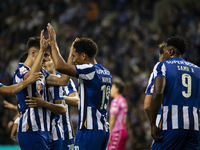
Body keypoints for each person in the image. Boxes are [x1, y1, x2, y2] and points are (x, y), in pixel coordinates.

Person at [47, 23, 112, 150]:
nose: (74, 60)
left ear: (84, 56)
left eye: (75, 56)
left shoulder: (89, 70)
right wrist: (72, 54)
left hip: (90, 129)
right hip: (103, 128)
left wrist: (53, 43)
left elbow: (60, 67)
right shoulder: (106, 72)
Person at [13, 31, 69, 150]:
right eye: (45, 54)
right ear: (33, 52)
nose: (47, 59)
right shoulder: (21, 71)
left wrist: (55, 46)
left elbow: (63, 80)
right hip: (30, 128)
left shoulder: (44, 73)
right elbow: (31, 77)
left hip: (45, 130)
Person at [150, 36, 200, 149]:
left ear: (170, 51)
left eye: (163, 52)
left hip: (172, 124)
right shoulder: (198, 70)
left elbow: (158, 93)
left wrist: (153, 123)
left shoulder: (162, 66)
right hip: (194, 128)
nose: (162, 56)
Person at [144, 42, 165, 124]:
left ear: (161, 55)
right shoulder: (194, 70)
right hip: (192, 125)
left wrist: (153, 124)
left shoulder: (159, 68)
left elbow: (147, 107)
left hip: (165, 124)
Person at [107, 80, 128, 150]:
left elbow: (113, 117)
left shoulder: (115, 101)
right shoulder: (123, 100)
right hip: (123, 131)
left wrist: (109, 133)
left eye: (112, 87)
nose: (110, 90)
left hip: (117, 132)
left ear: (117, 89)